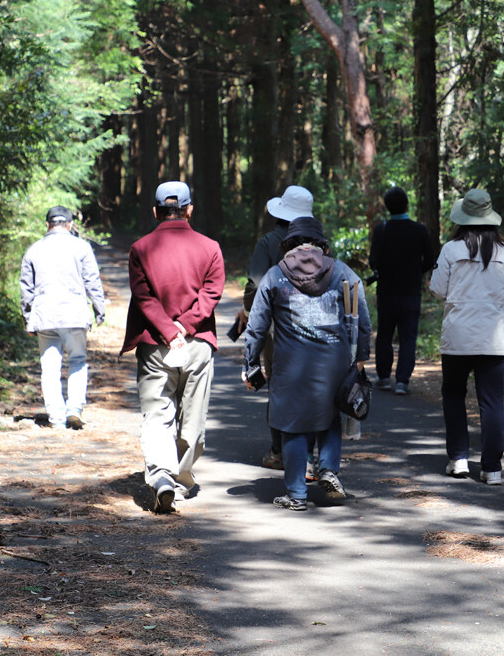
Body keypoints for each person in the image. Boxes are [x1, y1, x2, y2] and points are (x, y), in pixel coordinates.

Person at [243, 216, 371, 511]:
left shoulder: (275, 275)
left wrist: (250, 361)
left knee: (293, 426)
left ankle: (297, 494)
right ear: (321, 245)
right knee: (330, 415)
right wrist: (361, 356)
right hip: (335, 362)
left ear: (288, 243)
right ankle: (328, 469)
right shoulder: (341, 271)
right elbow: (361, 315)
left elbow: (257, 325)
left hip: (291, 365)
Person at [121, 181, 225, 514]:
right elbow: (212, 292)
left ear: (155, 211)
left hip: (155, 344)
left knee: (157, 414)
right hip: (197, 343)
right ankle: (181, 473)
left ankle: (161, 477)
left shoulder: (140, 248)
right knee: (192, 416)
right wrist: (185, 326)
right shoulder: (211, 248)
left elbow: (143, 296)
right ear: (189, 209)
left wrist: (167, 329)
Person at [429, 189, 504, 485]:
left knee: (454, 396)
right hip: (493, 338)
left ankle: (458, 459)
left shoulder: (450, 249)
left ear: (463, 218)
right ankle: (492, 467)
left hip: (458, 336)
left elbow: (437, 289)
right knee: (492, 401)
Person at [234, 185, 315, 470]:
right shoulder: (319, 240)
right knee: (311, 384)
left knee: (280, 385)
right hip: (314, 323)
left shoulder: (269, 241)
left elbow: (256, 283)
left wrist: (246, 311)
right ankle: (308, 452)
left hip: (276, 327)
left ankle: (278, 451)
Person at [19, 206, 107, 430]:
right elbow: (92, 281)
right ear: (70, 224)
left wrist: (27, 318)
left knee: (50, 367)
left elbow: (26, 289)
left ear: (47, 225)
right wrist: (99, 310)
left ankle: (57, 418)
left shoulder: (34, 250)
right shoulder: (82, 247)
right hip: (75, 315)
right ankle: (74, 409)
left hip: (45, 316)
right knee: (77, 361)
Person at [368, 186, 435, 396]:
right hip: (410, 293)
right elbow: (431, 260)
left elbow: (373, 262)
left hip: (386, 292)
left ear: (387, 208)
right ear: (407, 205)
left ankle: (384, 377)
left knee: (384, 335)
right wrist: (416, 272)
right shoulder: (419, 230)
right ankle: (402, 382)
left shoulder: (381, 230)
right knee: (408, 338)